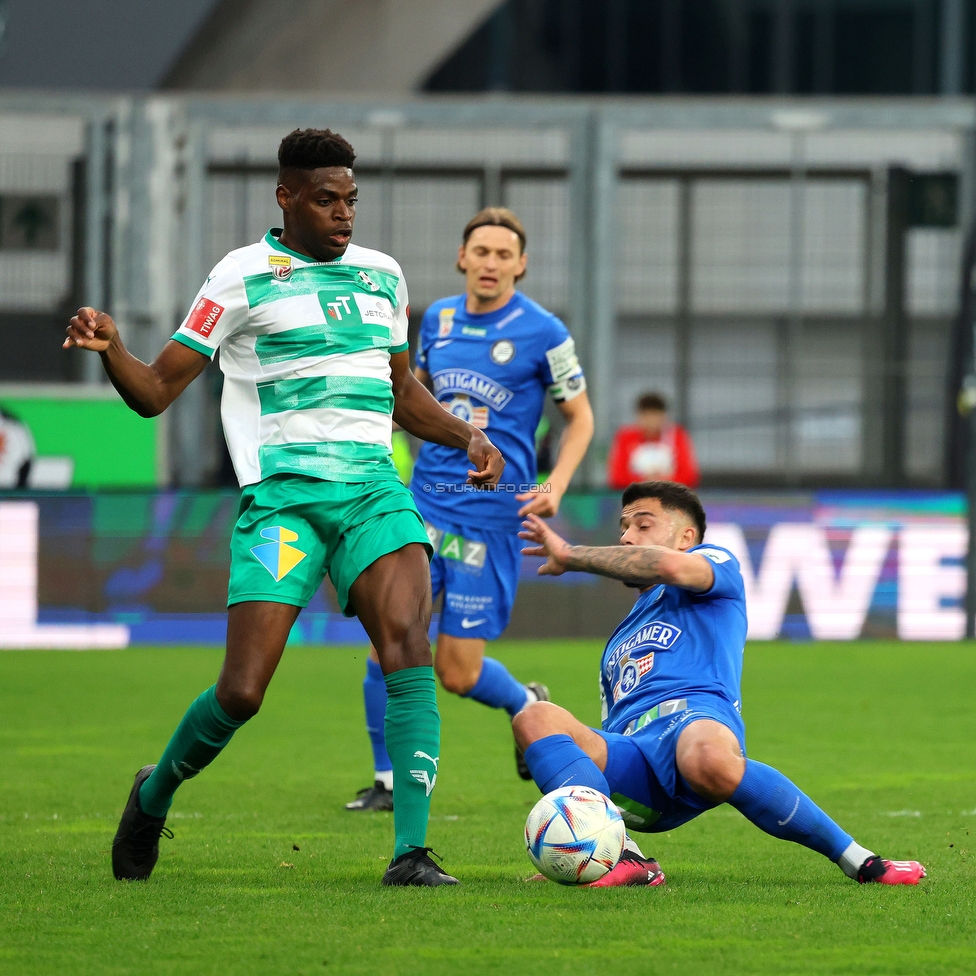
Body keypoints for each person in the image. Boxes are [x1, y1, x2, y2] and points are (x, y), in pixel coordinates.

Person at [63, 128, 504, 887]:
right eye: (327, 199)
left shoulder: (383, 277)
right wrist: (112, 350)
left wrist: (468, 435)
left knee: (408, 647)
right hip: (284, 504)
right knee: (242, 691)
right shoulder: (239, 278)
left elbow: (402, 395)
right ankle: (155, 791)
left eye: (351, 200)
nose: (343, 214)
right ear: (287, 197)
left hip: (373, 493)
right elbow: (155, 393)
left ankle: (411, 852)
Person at [515, 481, 925, 888]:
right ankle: (618, 856)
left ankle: (862, 861)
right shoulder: (620, 637)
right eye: (624, 526)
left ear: (686, 536)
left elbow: (668, 567)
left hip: (695, 725)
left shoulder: (713, 562)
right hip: (636, 762)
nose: (625, 536)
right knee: (534, 716)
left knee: (706, 756)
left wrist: (571, 554)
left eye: (642, 525)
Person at [346, 207, 594, 811]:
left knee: (456, 672)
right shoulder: (437, 319)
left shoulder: (544, 333)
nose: (491, 263)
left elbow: (581, 418)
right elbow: (413, 397)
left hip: (492, 519)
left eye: (504, 255)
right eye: (481, 252)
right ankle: (386, 780)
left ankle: (527, 704)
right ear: (462, 258)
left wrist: (556, 484)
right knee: (390, 642)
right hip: (424, 507)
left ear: (521, 265)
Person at [607, 392, 698, 490]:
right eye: (647, 416)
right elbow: (617, 477)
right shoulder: (625, 437)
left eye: (655, 416)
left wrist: (660, 481)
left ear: (664, 416)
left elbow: (689, 476)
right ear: (638, 416)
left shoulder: (677, 436)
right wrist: (645, 480)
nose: (651, 421)